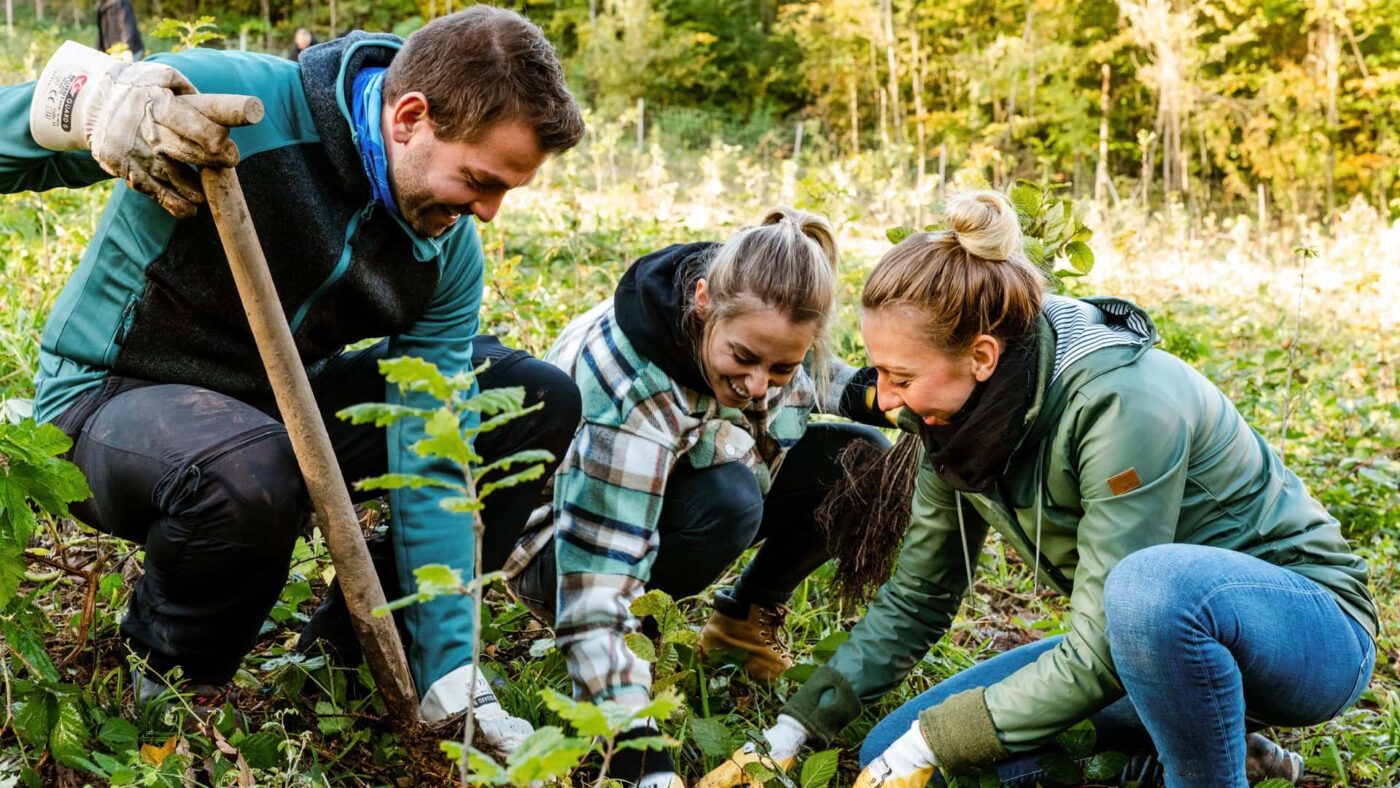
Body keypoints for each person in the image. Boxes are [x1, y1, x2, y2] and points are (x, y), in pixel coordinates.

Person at [4, 6, 585, 752]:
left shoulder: (447, 251)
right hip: (109, 403)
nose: (489, 212)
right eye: (479, 180)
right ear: (409, 116)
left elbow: (434, 449)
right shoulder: (234, 104)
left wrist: (451, 667)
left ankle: (360, 659)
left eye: (507, 190)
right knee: (251, 467)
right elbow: (12, 142)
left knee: (532, 397)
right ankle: (171, 691)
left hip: (280, 414)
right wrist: (100, 102)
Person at [699, 191, 1377, 788]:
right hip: (1149, 655)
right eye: (879, 374)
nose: (884, 398)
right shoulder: (952, 420)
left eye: (901, 377)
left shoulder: (1123, 403)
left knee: (1148, 587)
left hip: (1307, 636)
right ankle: (1193, 747)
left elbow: (1114, 630)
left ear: (983, 357)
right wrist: (790, 735)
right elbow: (919, 597)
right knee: (891, 751)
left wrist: (938, 738)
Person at [504, 209, 895, 786]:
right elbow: (594, 586)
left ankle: (741, 623)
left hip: (671, 489)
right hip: (559, 555)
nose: (759, 384)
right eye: (743, 359)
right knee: (728, 502)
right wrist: (644, 759)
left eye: (780, 366)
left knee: (862, 458)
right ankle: (637, 647)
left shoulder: (754, 312)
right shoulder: (630, 393)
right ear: (703, 299)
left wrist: (891, 396)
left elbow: (818, 374)